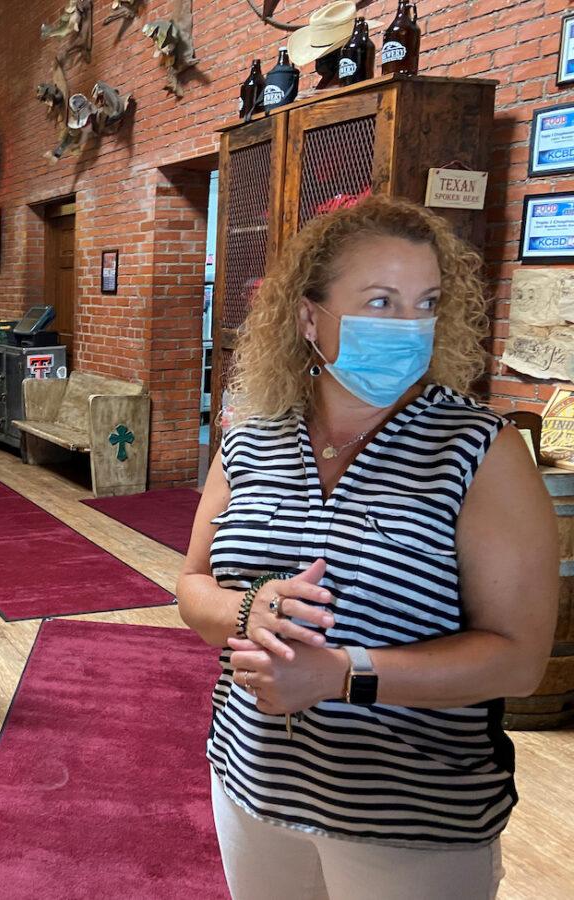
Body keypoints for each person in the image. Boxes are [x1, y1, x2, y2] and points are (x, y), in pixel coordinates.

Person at [176, 195, 557, 900]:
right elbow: (193, 584)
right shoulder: (253, 434)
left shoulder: (478, 449)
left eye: (426, 302)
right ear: (308, 316)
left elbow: (520, 659)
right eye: (381, 301)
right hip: (252, 779)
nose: (409, 326)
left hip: (412, 817)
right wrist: (247, 611)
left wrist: (343, 674)